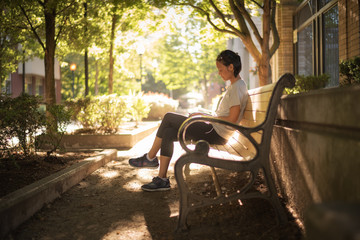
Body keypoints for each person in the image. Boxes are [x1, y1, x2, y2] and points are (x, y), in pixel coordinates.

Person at [129, 49, 248, 192]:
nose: (219, 73)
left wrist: (207, 118)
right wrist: (202, 113)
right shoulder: (236, 86)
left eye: (221, 69)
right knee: (168, 132)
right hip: (214, 129)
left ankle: (150, 157)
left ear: (231, 67)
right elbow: (222, 115)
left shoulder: (237, 88)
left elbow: (232, 120)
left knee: (168, 117)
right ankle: (162, 179)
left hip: (216, 133)